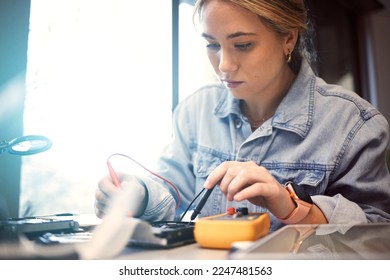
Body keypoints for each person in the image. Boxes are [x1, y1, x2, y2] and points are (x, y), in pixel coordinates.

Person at [95, 0, 390, 232]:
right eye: (212, 44)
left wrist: (290, 207)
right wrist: (138, 194)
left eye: (243, 45)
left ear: (288, 38)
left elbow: (376, 233)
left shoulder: (355, 123)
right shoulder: (194, 112)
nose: (223, 65)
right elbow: (172, 195)